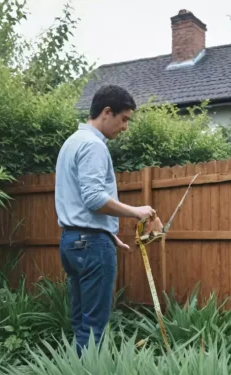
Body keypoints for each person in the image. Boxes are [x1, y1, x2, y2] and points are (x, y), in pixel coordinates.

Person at [54, 85, 158, 354]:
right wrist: (136, 211)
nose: (125, 127)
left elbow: (77, 200)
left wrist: (106, 231)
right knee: (94, 328)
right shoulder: (93, 146)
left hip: (71, 241)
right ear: (106, 112)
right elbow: (93, 198)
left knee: (80, 323)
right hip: (91, 247)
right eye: (124, 119)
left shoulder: (71, 143)